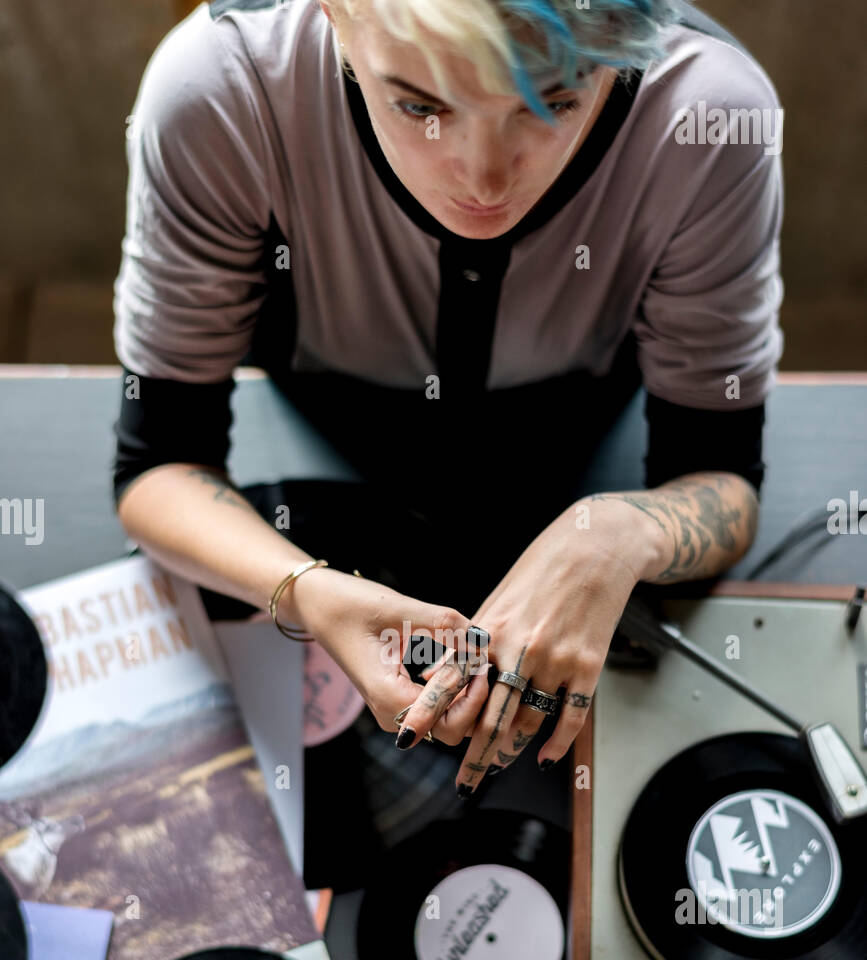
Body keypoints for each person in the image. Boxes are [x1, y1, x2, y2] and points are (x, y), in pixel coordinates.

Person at [112, 0, 783, 797]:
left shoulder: (711, 118)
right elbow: (157, 465)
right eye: (419, 106)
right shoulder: (221, 90)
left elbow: (723, 477)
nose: (484, 178)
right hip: (317, 426)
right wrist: (307, 592)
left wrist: (616, 536)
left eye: (552, 102)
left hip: (581, 437)